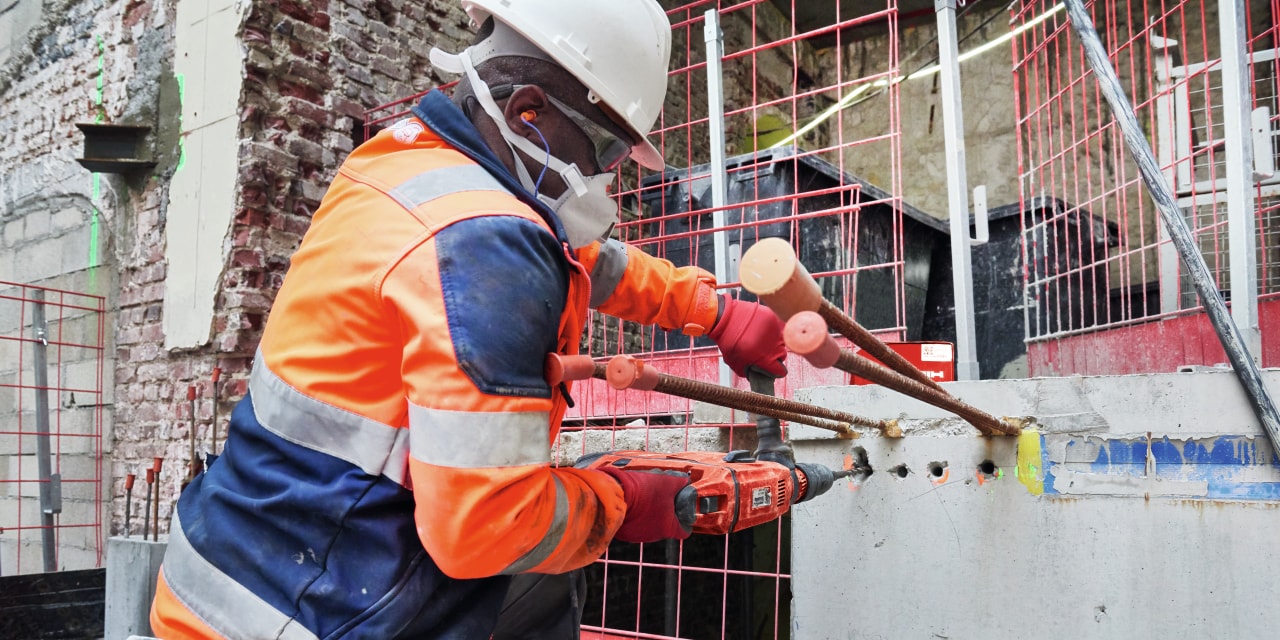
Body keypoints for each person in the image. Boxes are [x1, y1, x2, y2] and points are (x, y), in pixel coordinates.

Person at [149, 0, 787, 638]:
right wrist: (623, 501)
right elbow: (487, 531)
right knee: (540, 558)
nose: (603, 173)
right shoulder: (486, 243)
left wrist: (713, 311)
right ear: (527, 112)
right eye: (607, 147)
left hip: (231, 564)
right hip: (313, 610)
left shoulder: (407, 161)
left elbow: (581, 255)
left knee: (546, 578)